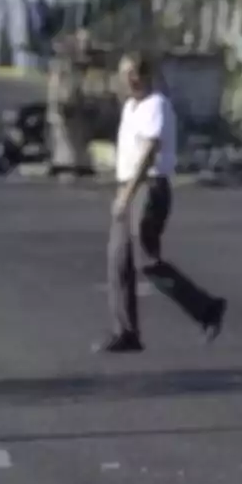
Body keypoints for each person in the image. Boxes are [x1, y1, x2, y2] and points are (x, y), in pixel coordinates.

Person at [95, 51, 226, 353]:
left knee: (145, 260)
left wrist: (127, 195)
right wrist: (121, 189)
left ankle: (207, 308)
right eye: (124, 73)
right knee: (118, 261)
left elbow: (148, 153)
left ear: (144, 75)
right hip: (128, 185)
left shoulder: (157, 105)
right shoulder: (130, 107)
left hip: (149, 188)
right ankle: (126, 332)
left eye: (134, 72)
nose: (128, 79)